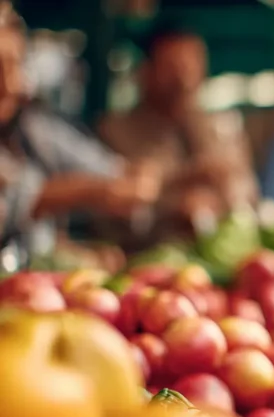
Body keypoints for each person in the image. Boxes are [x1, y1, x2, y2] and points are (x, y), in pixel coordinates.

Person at [0, 2, 156, 267]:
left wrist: (74, 252)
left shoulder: (31, 128)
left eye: (13, 66)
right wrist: (86, 192)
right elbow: (18, 200)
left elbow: (122, 179)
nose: (10, 85)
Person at [99, 21, 257, 242]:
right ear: (146, 72)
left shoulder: (222, 128)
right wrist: (174, 198)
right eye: (173, 67)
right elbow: (110, 209)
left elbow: (248, 196)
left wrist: (221, 201)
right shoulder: (115, 132)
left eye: (192, 66)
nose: (184, 80)